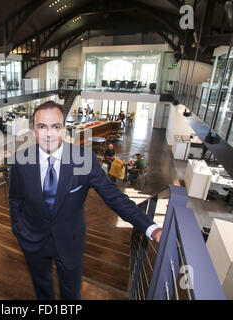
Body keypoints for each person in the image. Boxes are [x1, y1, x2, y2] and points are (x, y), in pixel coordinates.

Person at [9, 101, 162, 300]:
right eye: (42, 126)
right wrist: (18, 228)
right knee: (41, 287)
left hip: (70, 242)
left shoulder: (85, 159)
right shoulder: (20, 160)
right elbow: (15, 199)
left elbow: (114, 197)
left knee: (71, 293)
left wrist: (150, 227)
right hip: (32, 239)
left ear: (64, 130)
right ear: (34, 130)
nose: (49, 134)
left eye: (55, 126)